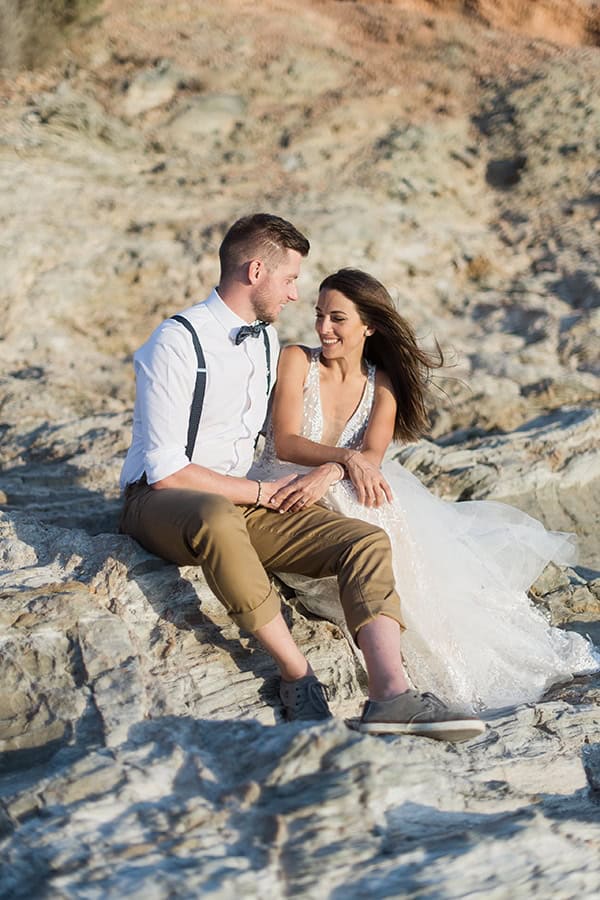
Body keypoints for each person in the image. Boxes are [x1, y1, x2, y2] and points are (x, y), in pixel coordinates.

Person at [119, 214, 486, 741]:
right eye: (290, 280)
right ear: (255, 271)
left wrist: (326, 470)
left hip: (242, 495)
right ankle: (297, 674)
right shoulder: (175, 343)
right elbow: (167, 471)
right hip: (160, 500)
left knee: (364, 540)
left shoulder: (268, 343)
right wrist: (266, 492)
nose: (294, 296)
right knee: (217, 514)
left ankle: (391, 695)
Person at [250, 267, 600, 713]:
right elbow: (286, 442)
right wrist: (345, 459)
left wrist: (338, 470)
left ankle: (423, 666)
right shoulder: (297, 359)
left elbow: (372, 455)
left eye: (337, 318)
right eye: (319, 315)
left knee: (371, 497)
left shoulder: (382, 382)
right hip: (282, 480)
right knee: (360, 493)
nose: (323, 327)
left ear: (369, 325)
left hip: (338, 485)